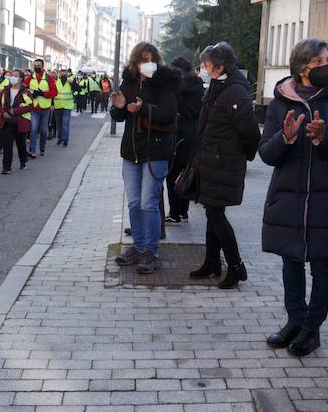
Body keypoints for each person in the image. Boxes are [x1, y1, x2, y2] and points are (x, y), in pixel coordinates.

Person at [258, 39, 328, 356]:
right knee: (291, 264)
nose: (325, 66)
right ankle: (294, 321)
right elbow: (266, 154)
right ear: (302, 66)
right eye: (318, 61)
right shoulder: (279, 103)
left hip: (327, 200)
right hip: (288, 198)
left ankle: (312, 329)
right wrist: (285, 139)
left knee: (322, 266)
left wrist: (326, 138)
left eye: (327, 60)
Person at [187, 42, 260, 287]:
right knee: (212, 212)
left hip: (223, 162)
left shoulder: (235, 91)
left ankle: (236, 266)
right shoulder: (219, 85)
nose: (204, 69)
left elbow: (249, 131)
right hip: (210, 160)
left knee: (216, 214)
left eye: (207, 65)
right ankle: (212, 262)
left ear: (220, 66)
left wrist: (242, 157)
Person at [110, 42, 180, 274]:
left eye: (150, 60)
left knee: (148, 203)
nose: (146, 64)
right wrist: (119, 107)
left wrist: (142, 108)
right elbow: (119, 116)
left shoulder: (164, 82)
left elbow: (168, 113)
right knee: (133, 202)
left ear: (156, 61)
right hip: (131, 152)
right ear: (135, 62)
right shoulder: (129, 81)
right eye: (142, 60)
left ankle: (151, 251)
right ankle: (138, 246)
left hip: (155, 152)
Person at [165, 56, 203, 223]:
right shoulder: (199, 85)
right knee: (186, 172)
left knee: (172, 173)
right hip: (194, 133)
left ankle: (174, 213)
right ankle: (183, 211)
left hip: (179, 133)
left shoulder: (177, 87)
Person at [0, 68, 34, 174]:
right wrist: (3, 113)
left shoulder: (25, 91)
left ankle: (23, 161)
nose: (12, 77)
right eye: (12, 75)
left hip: (20, 122)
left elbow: (30, 106)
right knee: (7, 145)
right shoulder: (5, 90)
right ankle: (6, 167)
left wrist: (15, 110)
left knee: (21, 144)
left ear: (21, 79)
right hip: (6, 121)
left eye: (15, 75)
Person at [25, 58, 56, 157]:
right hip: (34, 108)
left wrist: (42, 93)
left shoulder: (49, 78)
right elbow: (24, 90)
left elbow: (54, 92)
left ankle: (42, 148)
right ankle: (32, 150)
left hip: (45, 109)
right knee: (33, 129)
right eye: (35, 65)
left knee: (43, 131)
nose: (37, 67)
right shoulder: (29, 78)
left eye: (39, 66)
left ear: (43, 67)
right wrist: (30, 95)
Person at [53, 67, 75, 146]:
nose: (63, 74)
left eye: (64, 72)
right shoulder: (56, 82)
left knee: (65, 124)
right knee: (58, 124)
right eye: (61, 72)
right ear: (59, 74)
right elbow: (53, 93)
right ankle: (60, 138)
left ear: (67, 74)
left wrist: (73, 83)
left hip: (67, 106)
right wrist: (52, 104)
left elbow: (77, 89)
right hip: (57, 106)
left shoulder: (70, 81)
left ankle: (65, 139)